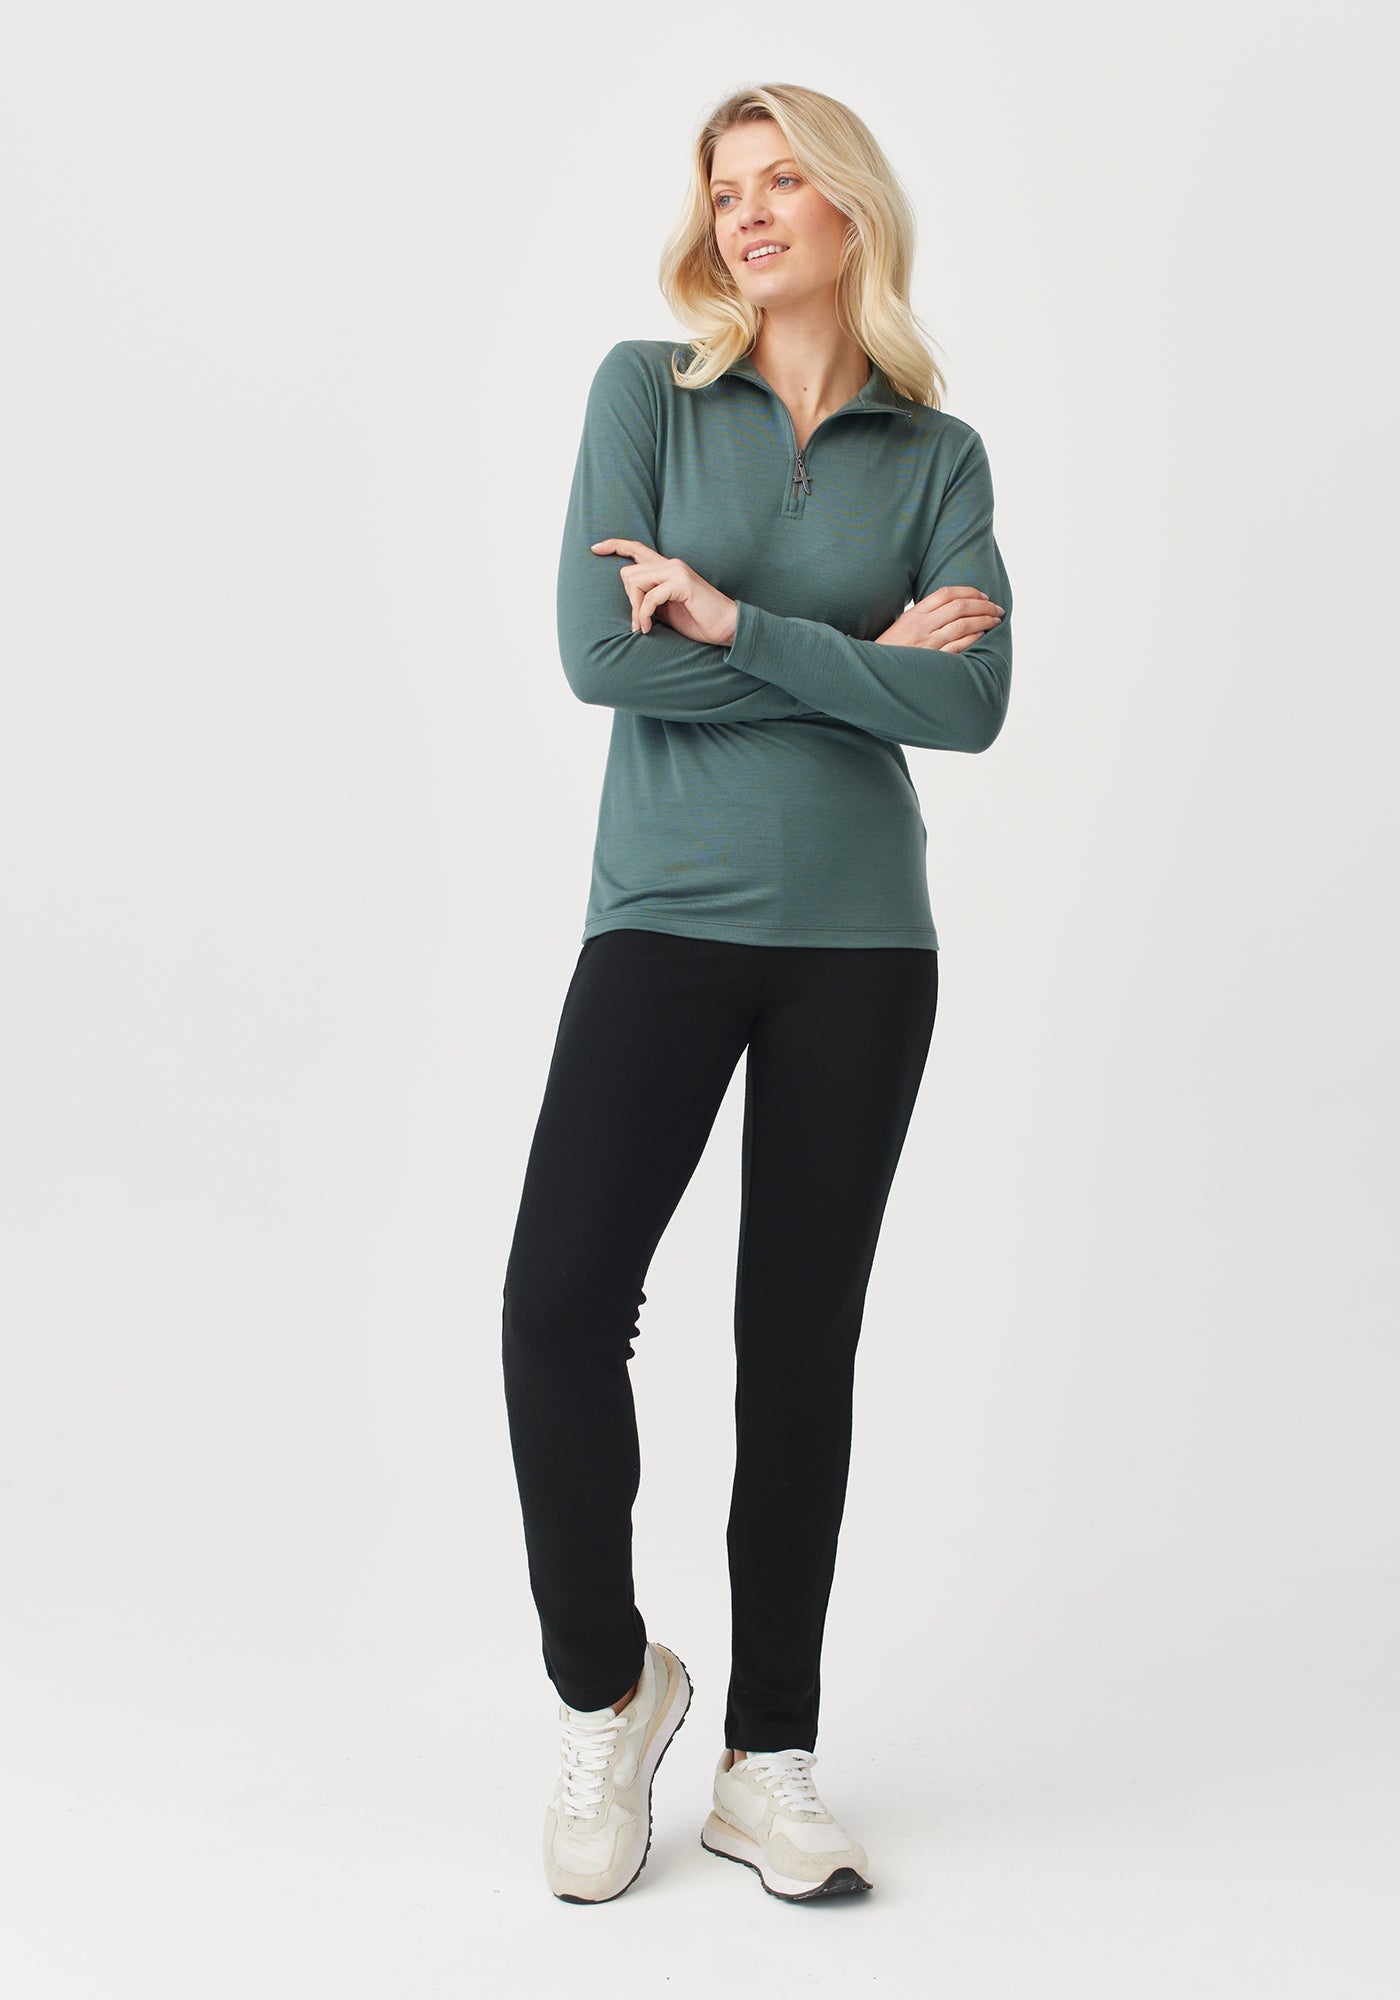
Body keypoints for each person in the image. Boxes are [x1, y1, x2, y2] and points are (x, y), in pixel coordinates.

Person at [500, 80, 1013, 1905]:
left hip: (863, 944)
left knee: (800, 1350)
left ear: (851, 205)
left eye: (785, 179)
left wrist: (735, 623)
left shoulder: (938, 457)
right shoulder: (646, 394)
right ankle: (608, 1685)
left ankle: (768, 1761)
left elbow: (973, 706)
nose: (750, 212)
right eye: (727, 188)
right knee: (560, 1306)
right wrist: (857, 655)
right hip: (663, 912)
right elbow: (597, 656)